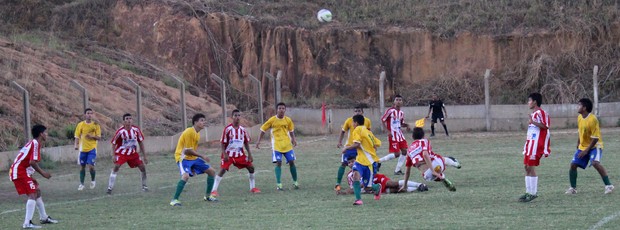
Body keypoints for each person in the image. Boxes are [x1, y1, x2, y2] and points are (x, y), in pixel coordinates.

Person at [9, 124, 59, 229]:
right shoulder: (35, 143)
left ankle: (44, 218)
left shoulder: (34, 143)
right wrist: (43, 173)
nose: (47, 134)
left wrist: (30, 175)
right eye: (45, 132)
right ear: (41, 134)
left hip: (23, 171)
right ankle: (27, 223)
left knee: (37, 191)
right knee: (32, 194)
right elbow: (32, 162)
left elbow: (26, 161)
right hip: (19, 172)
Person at [565, 98, 614, 195]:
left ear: (584, 107)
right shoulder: (579, 117)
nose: (577, 107)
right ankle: (573, 188)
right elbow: (580, 131)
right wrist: (578, 143)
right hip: (583, 147)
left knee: (595, 163)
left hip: (595, 146)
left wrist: (586, 151)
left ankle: (609, 186)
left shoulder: (593, 119)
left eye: (579, 105)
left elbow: (595, 138)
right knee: (573, 165)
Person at [210, 109, 261, 198]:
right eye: (235, 116)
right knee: (222, 170)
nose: (237, 117)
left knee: (251, 168)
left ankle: (252, 188)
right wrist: (224, 153)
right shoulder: (228, 129)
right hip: (228, 154)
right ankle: (214, 190)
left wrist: (249, 154)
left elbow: (246, 142)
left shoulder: (243, 130)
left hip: (239, 154)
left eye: (239, 115)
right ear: (232, 117)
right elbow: (222, 142)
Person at [170, 113, 218, 206]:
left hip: (192, 158)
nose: (204, 122)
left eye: (204, 120)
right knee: (185, 176)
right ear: (195, 122)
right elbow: (188, 151)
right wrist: (202, 156)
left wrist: (194, 163)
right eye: (202, 120)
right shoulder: (189, 132)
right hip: (182, 157)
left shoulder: (197, 133)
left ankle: (208, 197)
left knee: (211, 171)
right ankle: (174, 200)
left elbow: (192, 151)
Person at [256, 102, 299, 191]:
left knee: (292, 162)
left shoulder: (288, 120)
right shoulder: (272, 120)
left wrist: (294, 140)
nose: (281, 110)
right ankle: (279, 184)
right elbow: (262, 129)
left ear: (285, 110)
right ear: (277, 110)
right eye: (279, 108)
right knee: (278, 163)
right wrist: (258, 141)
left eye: (283, 108)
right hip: (277, 146)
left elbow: (291, 131)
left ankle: (295, 182)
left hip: (287, 145)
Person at [342, 114, 382, 205]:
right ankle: (358, 200)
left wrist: (346, 148)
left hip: (369, 162)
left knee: (367, 187)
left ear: (355, 123)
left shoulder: (357, 130)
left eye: (353, 122)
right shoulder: (368, 131)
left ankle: (377, 187)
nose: (352, 124)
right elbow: (376, 143)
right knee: (356, 177)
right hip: (360, 160)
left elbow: (357, 144)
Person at [401, 127, 456, 193]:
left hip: (427, 175)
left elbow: (407, 172)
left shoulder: (409, 151)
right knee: (437, 157)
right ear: (423, 136)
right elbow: (425, 154)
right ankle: (455, 163)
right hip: (435, 165)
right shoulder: (424, 141)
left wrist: (404, 186)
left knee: (434, 174)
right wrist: (433, 170)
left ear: (413, 137)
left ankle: (441, 177)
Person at [519, 93, 550, 202]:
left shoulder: (542, 113)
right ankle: (528, 192)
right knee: (526, 167)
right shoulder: (533, 114)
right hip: (530, 144)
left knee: (531, 166)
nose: (528, 103)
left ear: (535, 102)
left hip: (537, 145)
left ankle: (533, 193)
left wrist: (534, 122)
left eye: (529, 100)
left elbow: (546, 126)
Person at [107, 113, 148, 195]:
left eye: (130, 118)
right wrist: (113, 155)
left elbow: (141, 142)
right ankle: (109, 188)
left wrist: (144, 156)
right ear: (124, 121)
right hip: (121, 153)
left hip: (133, 153)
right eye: (127, 119)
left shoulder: (136, 130)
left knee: (142, 167)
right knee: (116, 166)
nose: (129, 120)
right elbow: (113, 143)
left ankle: (144, 186)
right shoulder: (120, 131)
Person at [337, 159, 428, 195]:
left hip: (375, 179)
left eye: (352, 161)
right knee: (394, 190)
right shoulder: (350, 174)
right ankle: (417, 189)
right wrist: (344, 192)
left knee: (392, 184)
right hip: (370, 188)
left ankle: (419, 184)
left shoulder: (360, 165)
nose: (351, 163)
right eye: (349, 162)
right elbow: (352, 188)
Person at [335, 106, 371, 192]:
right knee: (344, 164)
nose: (357, 112)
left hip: (360, 148)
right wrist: (339, 142)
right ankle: (337, 184)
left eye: (359, 111)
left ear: (362, 112)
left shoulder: (367, 121)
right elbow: (343, 131)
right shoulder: (349, 121)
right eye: (355, 111)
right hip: (349, 147)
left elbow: (369, 133)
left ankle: (363, 183)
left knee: (361, 165)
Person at [378, 95, 410, 175]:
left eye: (400, 100)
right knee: (397, 154)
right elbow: (382, 120)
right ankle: (377, 161)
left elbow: (401, 123)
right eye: (397, 100)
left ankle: (397, 170)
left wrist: (407, 126)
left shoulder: (401, 113)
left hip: (400, 135)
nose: (398, 101)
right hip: (393, 135)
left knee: (404, 151)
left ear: (402, 102)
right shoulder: (390, 111)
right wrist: (387, 131)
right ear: (394, 101)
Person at [74, 108, 102, 191]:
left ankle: (93, 181)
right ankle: (81, 184)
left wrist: (92, 136)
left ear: (92, 115)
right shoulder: (80, 125)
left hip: (92, 149)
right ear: (85, 115)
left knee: (91, 166)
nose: (89, 114)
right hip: (82, 149)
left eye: (91, 113)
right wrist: (76, 145)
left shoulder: (96, 125)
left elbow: (99, 137)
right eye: (88, 113)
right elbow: (77, 136)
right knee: (82, 167)